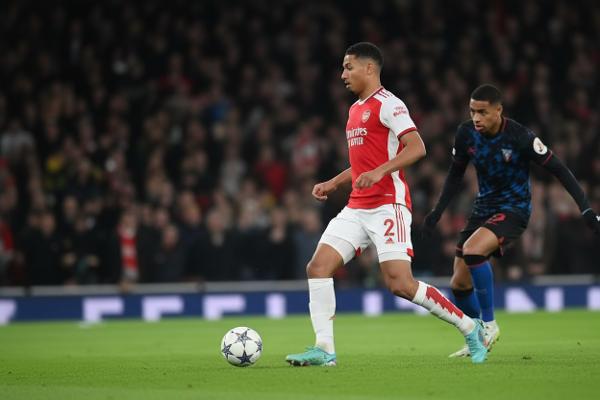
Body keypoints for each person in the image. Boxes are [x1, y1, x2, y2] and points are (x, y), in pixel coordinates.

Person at [285, 42, 488, 367]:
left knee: (400, 284)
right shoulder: (354, 110)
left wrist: (381, 171)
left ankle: (469, 327)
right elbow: (363, 164)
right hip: (357, 207)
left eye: (348, 67)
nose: (343, 75)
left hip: (387, 206)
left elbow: (417, 147)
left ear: (369, 68)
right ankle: (324, 349)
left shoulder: (389, 104)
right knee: (318, 267)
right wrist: (334, 182)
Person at [423, 84, 600, 358]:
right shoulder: (466, 133)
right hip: (482, 209)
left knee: (473, 250)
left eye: (482, 112)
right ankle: (477, 336)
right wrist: (437, 211)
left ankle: (490, 324)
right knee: (459, 284)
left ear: (498, 110)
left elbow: (560, 170)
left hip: (514, 209)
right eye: (472, 111)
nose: (476, 118)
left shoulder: (520, 136)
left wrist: (586, 209)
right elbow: (455, 175)